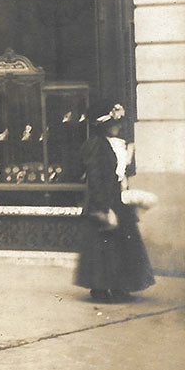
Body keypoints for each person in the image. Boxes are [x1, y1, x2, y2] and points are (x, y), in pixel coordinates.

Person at [73, 99, 156, 303]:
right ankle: (100, 288)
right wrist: (104, 207)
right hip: (103, 201)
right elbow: (95, 179)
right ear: (105, 125)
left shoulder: (115, 144)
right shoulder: (96, 145)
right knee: (104, 247)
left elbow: (120, 174)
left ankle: (120, 286)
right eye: (115, 123)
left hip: (117, 200)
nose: (119, 126)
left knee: (120, 245)